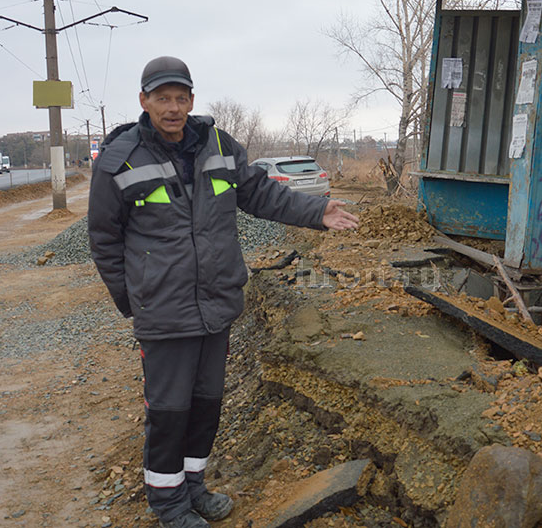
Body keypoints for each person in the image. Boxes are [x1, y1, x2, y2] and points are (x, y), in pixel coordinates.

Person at [88, 56, 359, 527]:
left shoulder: (218, 144)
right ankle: (168, 505)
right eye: (162, 98)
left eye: (180, 98)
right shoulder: (121, 159)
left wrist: (317, 212)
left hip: (216, 303)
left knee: (206, 405)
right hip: (164, 310)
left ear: (192, 100)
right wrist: (133, 300)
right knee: (169, 412)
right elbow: (104, 239)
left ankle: (193, 486)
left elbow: (261, 193)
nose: (172, 108)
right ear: (144, 101)